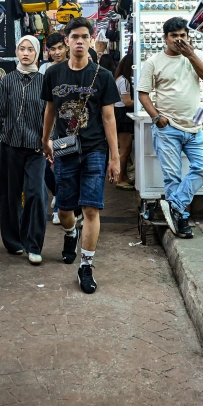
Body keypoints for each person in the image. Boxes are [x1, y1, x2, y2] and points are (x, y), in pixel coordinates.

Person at [41, 18, 121, 294]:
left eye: (84, 36)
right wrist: (45, 140)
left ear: (91, 39)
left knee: (90, 209)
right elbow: (50, 110)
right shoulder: (54, 73)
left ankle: (86, 266)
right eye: (74, 36)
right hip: (65, 148)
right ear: (66, 40)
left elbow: (109, 118)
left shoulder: (103, 76)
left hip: (94, 149)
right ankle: (70, 232)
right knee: (65, 210)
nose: (79, 41)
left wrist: (115, 157)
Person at [136, 17, 203, 239]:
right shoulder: (153, 62)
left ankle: (176, 206)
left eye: (182, 35)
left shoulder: (196, 56)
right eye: (174, 36)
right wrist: (156, 117)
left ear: (188, 37)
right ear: (165, 38)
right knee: (172, 177)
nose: (178, 40)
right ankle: (180, 218)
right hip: (167, 128)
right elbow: (143, 93)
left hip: (194, 128)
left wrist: (191, 55)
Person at [0, 36, 47, 264]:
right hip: (10, 145)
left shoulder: (44, 82)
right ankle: (13, 241)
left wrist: (49, 140)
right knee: (10, 195)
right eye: (22, 49)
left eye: (30, 49)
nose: (26, 53)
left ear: (37, 53)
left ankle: (33, 244)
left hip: (36, 148)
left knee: (35, 194)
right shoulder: (8, 80)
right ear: (16, 52)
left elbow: (49, 114)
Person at [39, 32, 66, 222]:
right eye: (53, 49)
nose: (57, 52)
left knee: (61, 168)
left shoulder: (72, 66)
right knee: (44, 165)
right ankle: (56, 193)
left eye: (60, 48)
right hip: (47, 122)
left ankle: (59, 208)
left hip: (65, 124)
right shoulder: (44, 69)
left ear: (66, 47)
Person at [114, 52, 135, 190]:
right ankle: (120, 179)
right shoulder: (124, 81)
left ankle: (124, 176)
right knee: (125, 150)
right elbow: (127, 102)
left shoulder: (120, 79)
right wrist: (143, 102)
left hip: (120, 114)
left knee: (125, 150)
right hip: (123, 116)